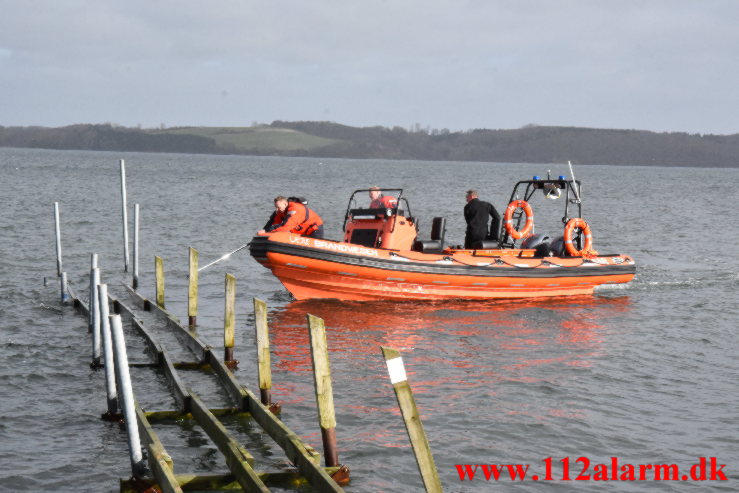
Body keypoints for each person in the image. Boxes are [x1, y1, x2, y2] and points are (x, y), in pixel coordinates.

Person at [258, 196, 324, 238]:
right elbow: (273, 222)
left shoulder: (295, 210)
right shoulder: (281, 210)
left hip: (314, 230)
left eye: (278, 207)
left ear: (285, 204)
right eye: (276, 207)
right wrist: (265, 230)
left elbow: (286, 227)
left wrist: (269, 231)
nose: (277, 209)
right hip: (301, 231)